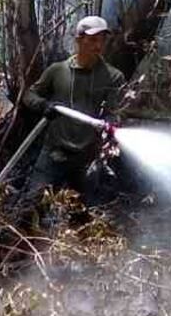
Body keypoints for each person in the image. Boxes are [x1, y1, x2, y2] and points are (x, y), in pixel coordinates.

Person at [20, 15, 126, 209]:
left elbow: (114, 112)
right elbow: (29, 96)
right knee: (32, 205)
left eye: (102, 40)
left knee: (84, 214)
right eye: (93, 40)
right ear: (78, 39)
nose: (98, 46)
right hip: (53, 152)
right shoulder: (57, 71)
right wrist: (44, 106)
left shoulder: (113, 77)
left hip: (86, 158)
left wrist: (110, 125)